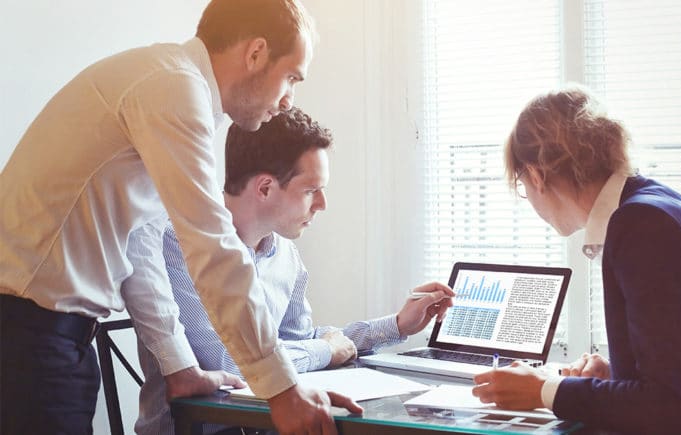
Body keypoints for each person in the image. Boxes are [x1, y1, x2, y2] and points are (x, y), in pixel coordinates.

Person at [0, 1, 360, 434]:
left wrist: (179, 367)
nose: (288, 101)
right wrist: (282, 388)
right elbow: (212, 247)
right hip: (27, 332)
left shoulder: (174, 88)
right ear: (256, 53)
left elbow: (141, 244)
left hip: (50, 334)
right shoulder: (174, 89)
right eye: (291, 78)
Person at [135, 107, 455, 435]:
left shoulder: (285, 254)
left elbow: (297, 341)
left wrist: (396, 324)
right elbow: (230, 363)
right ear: (264, 188)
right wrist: (326, 350)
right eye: (310, 190)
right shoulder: (179, 242)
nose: (322, 204)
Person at [470, 86, 681, 434]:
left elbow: (671, 407)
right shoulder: (654, 204)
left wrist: (544, 390)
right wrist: (614, 376)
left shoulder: (642, 226)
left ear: (536, 175)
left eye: (522, 185)